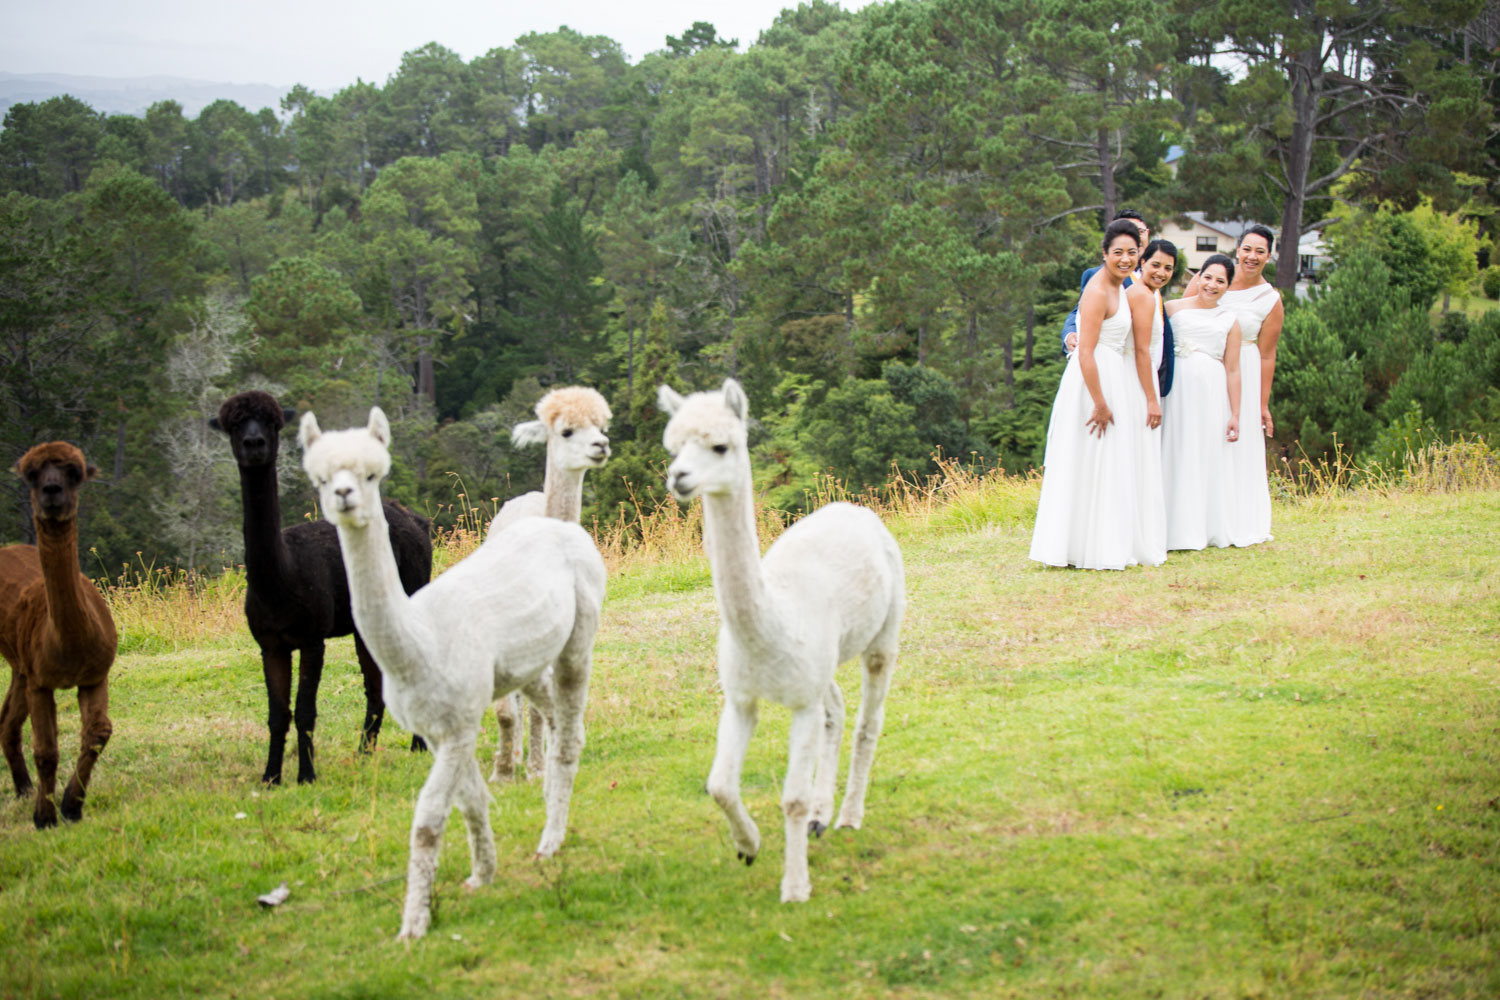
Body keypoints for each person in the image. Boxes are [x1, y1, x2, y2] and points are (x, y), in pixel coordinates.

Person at [1030, 220, 1165, 570]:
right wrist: (1100, 403)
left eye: (1132, 253)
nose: (1125, 258)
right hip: (1092, 383)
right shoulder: (1097, 290)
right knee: (1089, 457)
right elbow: (1085, 351)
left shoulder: (1121, 287)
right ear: (1104, 253)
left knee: (1105, 462)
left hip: (1111, 378)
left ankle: (1101, 542)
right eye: (1117, 252)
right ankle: (1076, 546)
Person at [1161, 254, 1243, 551]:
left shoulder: (1231, 321)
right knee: (1173, 447)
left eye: (1220, 281)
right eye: (1208, 277)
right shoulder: (1171, 308)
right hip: (1175, 390)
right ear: (1199, 276)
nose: (1212, 285)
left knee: (1201, 452)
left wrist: (1235, 413)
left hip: (1210, 393)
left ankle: (1198, 526)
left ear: (1227, 286)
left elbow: (1233, 368)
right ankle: (1166, 525)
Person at [1216, 226, 1280, 546]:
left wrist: (1262, 404)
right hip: (1211, 366)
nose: (1252, 257)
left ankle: (1239, 519)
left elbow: (1267, 355)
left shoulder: (1270, 299)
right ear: (1237, 249)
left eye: (1260, 251)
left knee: (1238, 444)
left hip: (1246, 367)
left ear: (1269, 256)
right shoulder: (1217, 279)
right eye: (1247, 249)